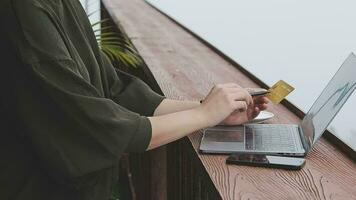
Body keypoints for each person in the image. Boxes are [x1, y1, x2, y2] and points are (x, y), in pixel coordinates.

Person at [0, 0, 268, 199]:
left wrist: (213, 111)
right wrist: (203, 116)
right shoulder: (22, 11)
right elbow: (100, 124)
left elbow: (117, 91)